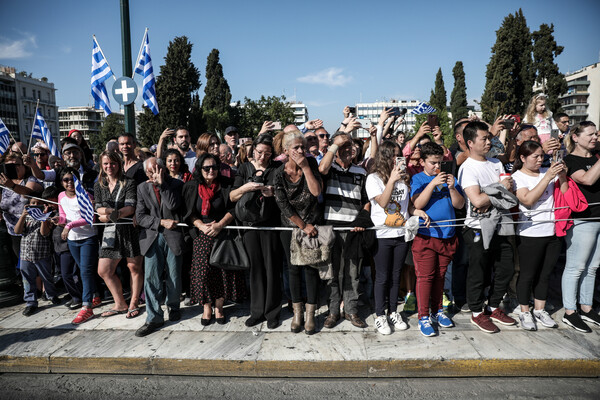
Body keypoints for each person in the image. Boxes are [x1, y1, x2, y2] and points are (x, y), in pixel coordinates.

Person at [457, 121, 517, 333]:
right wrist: (499, 188)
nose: (489, 142)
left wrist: (493, 192)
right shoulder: (467, 168)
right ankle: (476, 312)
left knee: (506, 267)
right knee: (478, 272)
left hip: (502, 224)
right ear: (471, 143)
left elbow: (508, 195)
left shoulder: (496, 164)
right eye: (484, 138)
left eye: (489, 138)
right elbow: (478, 201)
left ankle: (493, 307)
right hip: (477, 227)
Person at [366, 141, 429, 335]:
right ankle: (379, 315)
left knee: (396, 275)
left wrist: (418, 212)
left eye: (399, 155)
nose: (398, 159)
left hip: (402, 233)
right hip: (383, 234)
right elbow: (384, 203)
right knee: (382, 277)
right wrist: (392, 180)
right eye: (394, 155)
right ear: (384, 157)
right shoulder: (373, 178)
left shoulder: (404, 178)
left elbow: (406, 207)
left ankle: (393, 311)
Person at [182, 153, 246, 325]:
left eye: (214, 167)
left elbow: (233, 210)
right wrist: (201, 226)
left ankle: (219, 306)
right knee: (203, 273)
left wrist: (220, 225)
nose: (211, 170)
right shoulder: (191, 187)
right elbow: (188, 213)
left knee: (222, 272)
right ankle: (206, 306)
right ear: (199, 169)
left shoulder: (226, 186)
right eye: (207, 168)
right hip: (202, 234)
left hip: (222, 232)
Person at [410, 142, 465, 336]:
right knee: (425, 278)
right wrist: (432, 184)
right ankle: (423, 316)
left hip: (447, 236)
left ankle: (437, 311)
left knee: (440, 277)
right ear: (423, 161)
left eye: (440, 163)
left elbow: (460, 204)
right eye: (433, 163)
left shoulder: (450, 179)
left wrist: (451, 188)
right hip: (426, 236)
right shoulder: (418, 179)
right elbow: (418, 203)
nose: (437, 167)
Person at [512, 141, 567, 331]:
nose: (539, 160)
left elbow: (565, 194)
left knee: (545, 274)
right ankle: (524, 311)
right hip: (530, 232)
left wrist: (562, 176)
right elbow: (527, 200)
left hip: (553, 231)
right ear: (522, 158)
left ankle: (539, 309)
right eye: (535, 156)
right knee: (527, 274)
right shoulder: (517, 177)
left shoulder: (547, 172)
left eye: (541, 156)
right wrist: (548, 177)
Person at [230, 134, 283, 329]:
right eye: (260, 152)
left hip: (271, 225)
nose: (263, 157)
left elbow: (284, 194)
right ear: (253, 151)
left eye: (267, 154)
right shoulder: (244, 169)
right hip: (250, 227)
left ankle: (273, 312)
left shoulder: (277, 168)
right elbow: (232, 196)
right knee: (256, 270)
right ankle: (257, 311)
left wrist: (273, 193)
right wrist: (245, 188)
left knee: (272, 269)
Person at [318, 130, 370, 329]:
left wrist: (362, 220)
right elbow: (321, 169)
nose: (349, 150)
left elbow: (366, 202)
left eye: (350, 146)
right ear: (336, 150)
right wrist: (335, 144)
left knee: (353, 273)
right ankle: (333, 311)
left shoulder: (360, 172)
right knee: (333, 273)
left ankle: (351, 310)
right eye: (343, 147)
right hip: (331, 229)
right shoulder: (329, 167)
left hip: (354, 229)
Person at [274, 130, 322, 334]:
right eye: (296, 148)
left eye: (302, 147)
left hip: (312, 224)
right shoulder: (278, 173)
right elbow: (283, 206)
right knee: (293, 269)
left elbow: (316, 192)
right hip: (290, 226)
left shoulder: (311, 164)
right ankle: (297, 313)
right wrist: (302, 225)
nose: (301, 150)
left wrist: (305, 167)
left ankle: (310, 315)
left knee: (310, 268)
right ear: (286, 151)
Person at [135, 157, 185, 337]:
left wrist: (162, 185)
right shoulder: (142, 188)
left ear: (163, 168)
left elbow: (173, 205)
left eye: (157, 169)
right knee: (151, 278)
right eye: (150, 171)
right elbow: (140, 217)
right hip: (152, 236)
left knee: (173, 274)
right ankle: (154, 316)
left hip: (172, 236)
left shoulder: (177, 184)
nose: (154, 174)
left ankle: (173, 306)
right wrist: (160, 222)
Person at [94, 151, 143, 319]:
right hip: (110, 231)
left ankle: (134, 302)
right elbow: (98, 207)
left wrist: (112, 214)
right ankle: (120, 303)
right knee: (104, 270)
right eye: (106, 163)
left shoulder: (129, 182)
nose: (109, 167)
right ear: (101, 165)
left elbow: (131, 207)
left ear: (119, 164)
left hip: (129, 230)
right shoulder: (99, 184)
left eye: (113, 163)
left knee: (134, 268)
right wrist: (106, 213)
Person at [562, 121, 600, 332]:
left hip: (599, 218)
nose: (594, 138)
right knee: (576, 267)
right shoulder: (570, 160)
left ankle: (586, 307)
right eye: (590, 134)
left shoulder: (596, 157)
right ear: (575, 137)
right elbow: (586, 180)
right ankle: (570, 311)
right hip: (582, 219)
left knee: (593, 267)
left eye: (596, 134)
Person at [58, 168, 98, 324]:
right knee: (83, 270)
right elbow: (63, 214)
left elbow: (89, 217)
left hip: (88, 237)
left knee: (86, 271)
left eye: (72, 179)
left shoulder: (85, 195)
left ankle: (86, 306)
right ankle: (95, 295)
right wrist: (59, 220)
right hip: (72, 239)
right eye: (65, 180)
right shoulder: (61, 196)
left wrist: (69, 226)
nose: (69, 182)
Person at [14, 195, 60, 316]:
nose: (35, 206)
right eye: (32, 203)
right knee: (27, 280)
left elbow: (44, 233)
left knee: (46, 277)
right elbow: (17, 231)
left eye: (38, 203)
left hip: (41, 253)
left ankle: (51, 295)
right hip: (26, 254)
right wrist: (23, 215)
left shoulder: (48, 217)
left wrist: (43, 217)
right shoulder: (26, 217)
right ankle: (30, 302)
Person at [0, 153, 43, 263]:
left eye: (17, 164)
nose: (14, 168)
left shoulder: (31, 179)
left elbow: (27, 193)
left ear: (24, 166)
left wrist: (12, 186)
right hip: (11, 232)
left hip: (29, 232)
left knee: (29, 266)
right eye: (9, 166)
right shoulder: (3, 184)